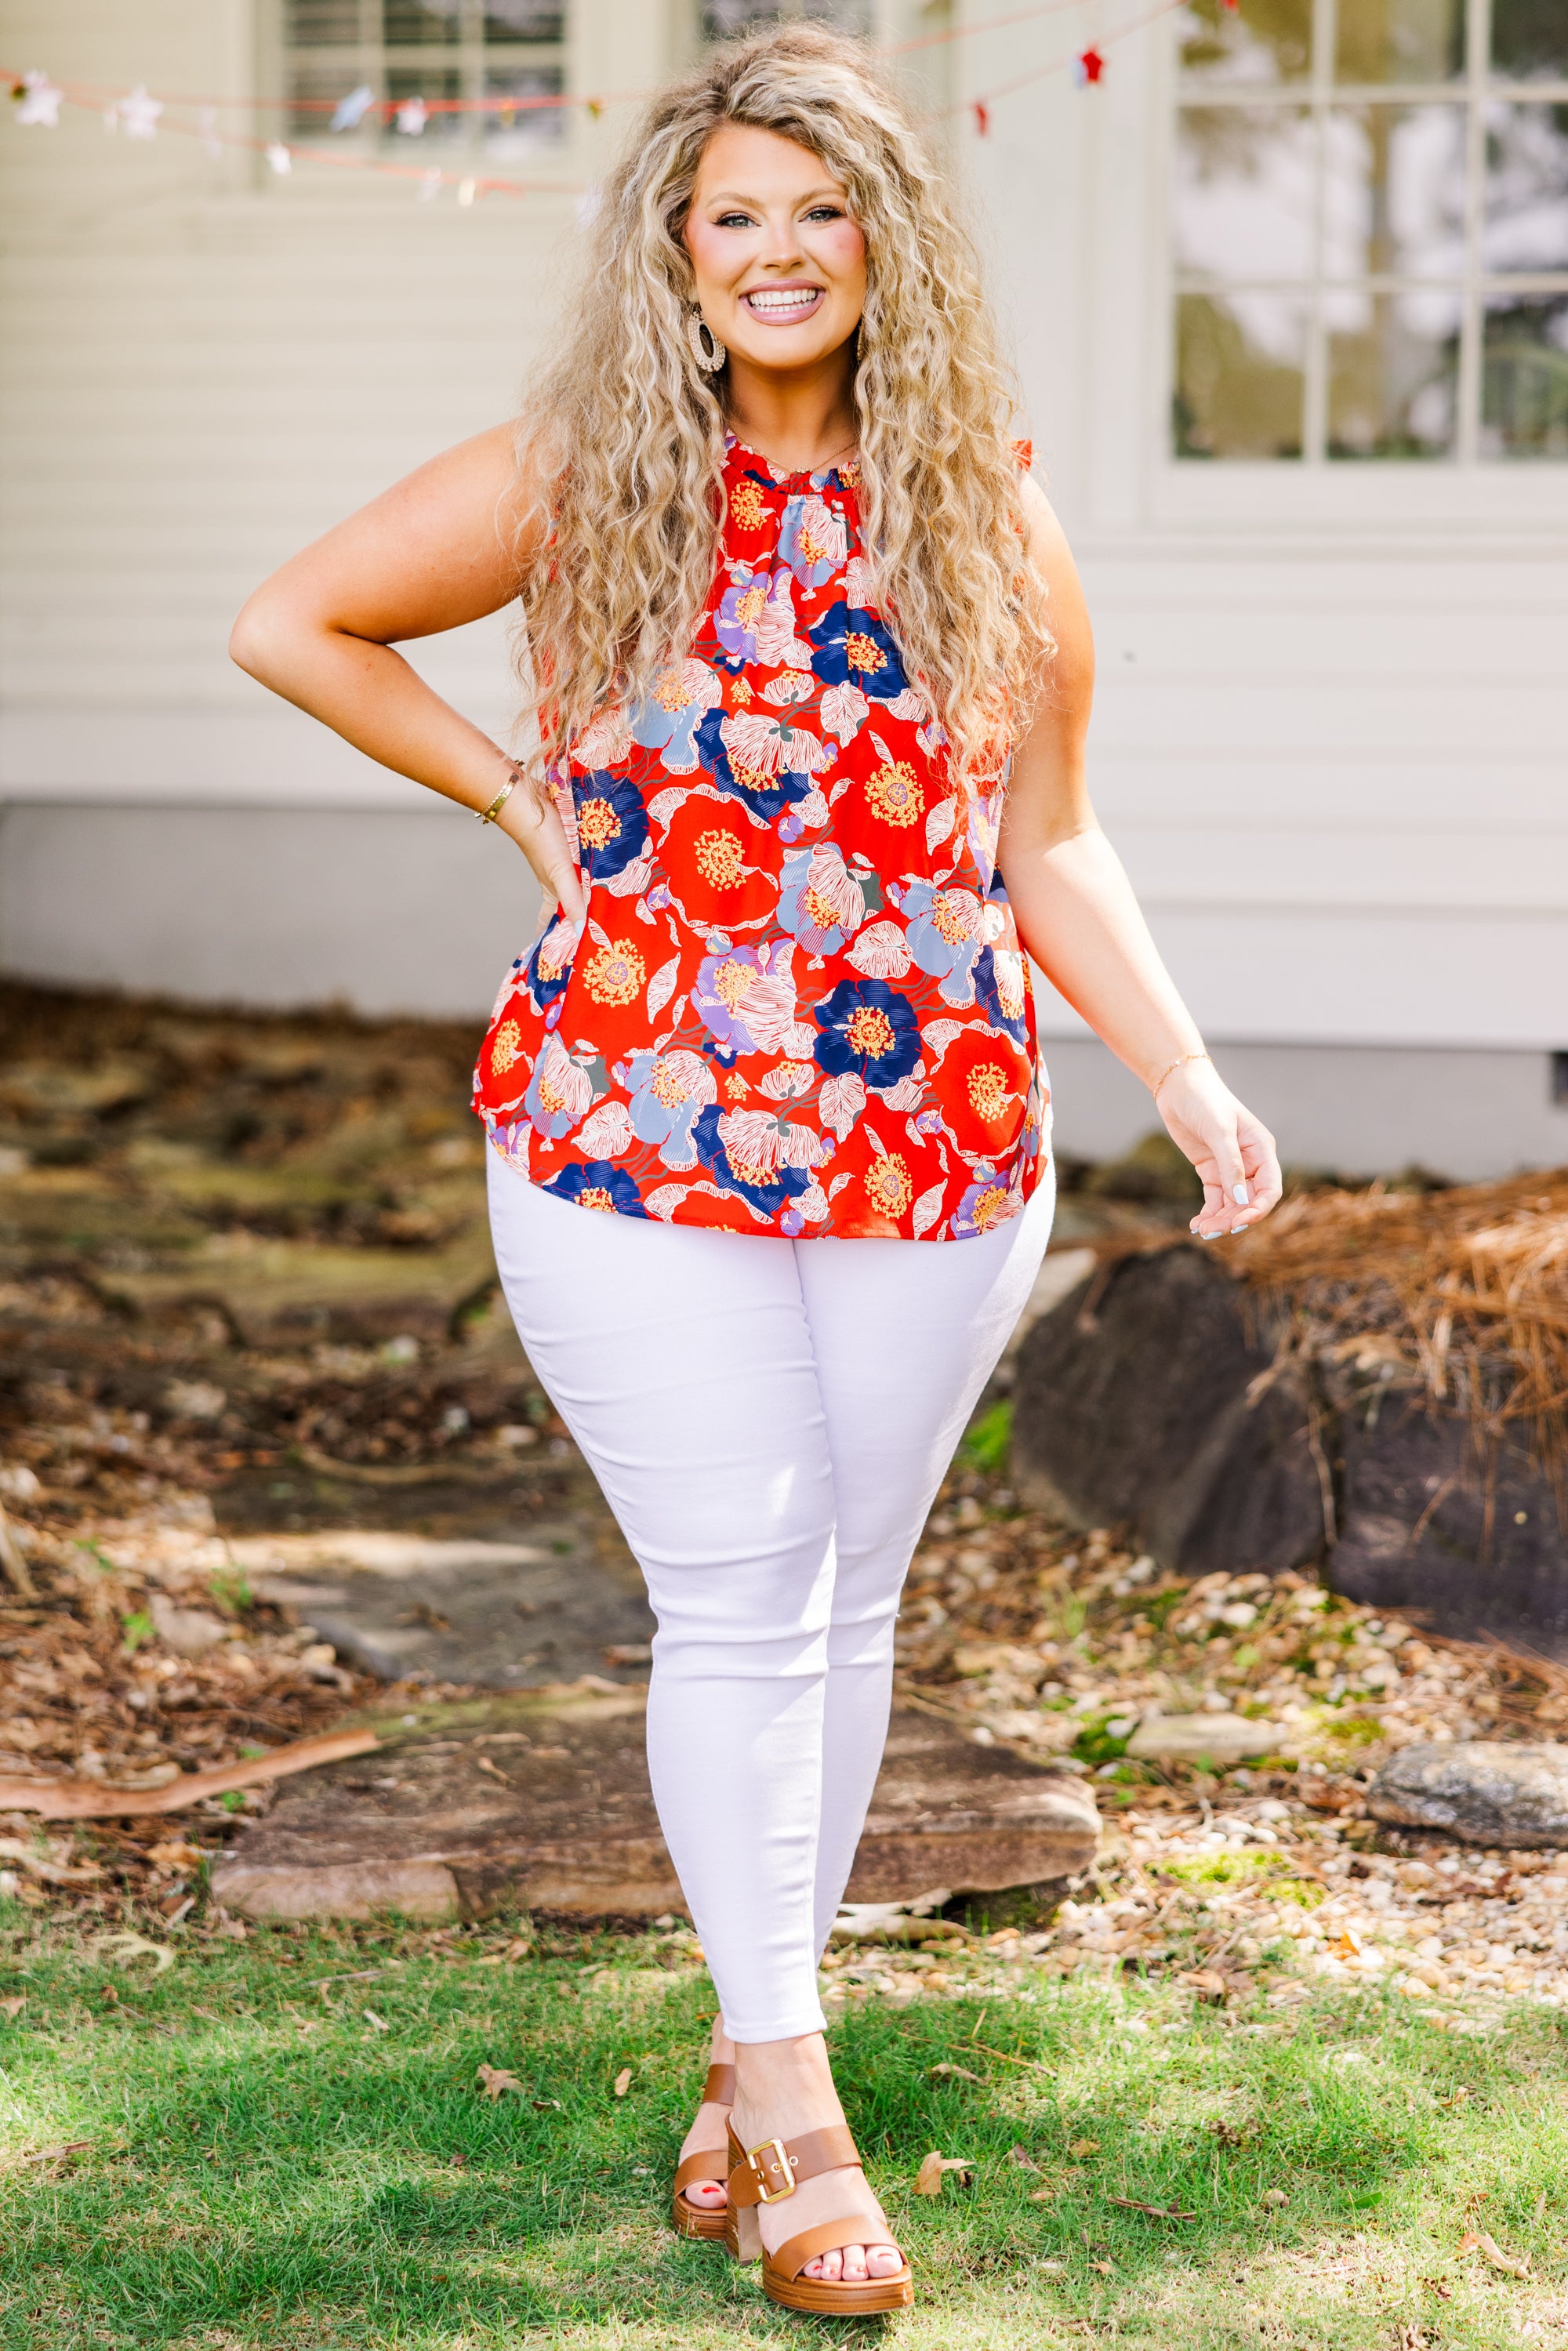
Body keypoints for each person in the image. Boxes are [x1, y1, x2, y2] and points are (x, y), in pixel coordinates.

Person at [230, 21, 1281, 2317]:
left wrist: (1185, 1074)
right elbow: (290, 621)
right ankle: (801, 2107)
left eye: (824, 212)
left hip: (935, 1141)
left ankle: (744, 2050)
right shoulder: (586, 473)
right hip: (631, 1121)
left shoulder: (984, 505)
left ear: (884, 242)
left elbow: (1052, 839)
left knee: (852, 1600)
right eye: (738, 217)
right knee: (744, 1586)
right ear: (678, 256)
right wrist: (521, 806)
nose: (783, 252)